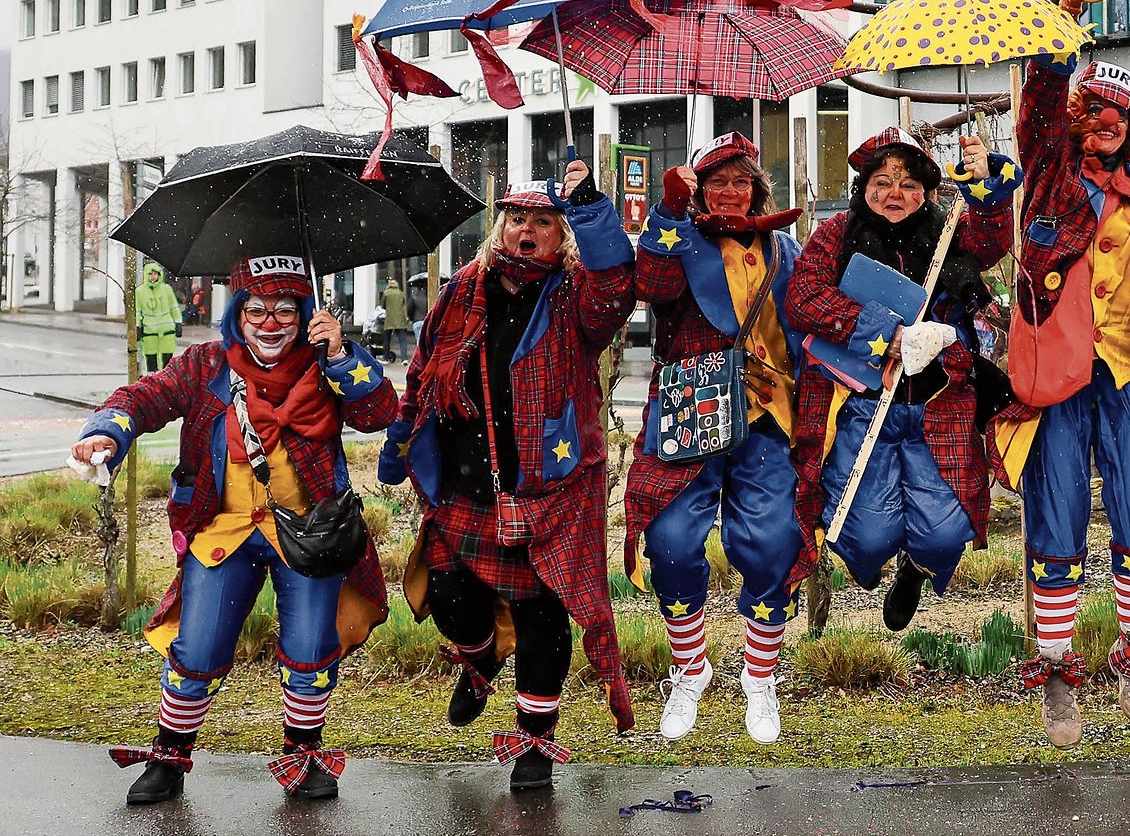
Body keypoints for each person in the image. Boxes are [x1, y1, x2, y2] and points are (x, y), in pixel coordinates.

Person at [76, 256, 395, 805]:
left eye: (284, 310)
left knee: (311, 648)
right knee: (196, 648)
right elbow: (144, 397)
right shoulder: (206, 366)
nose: (270, 323)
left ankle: (305, 755)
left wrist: (342, 354)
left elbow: (378, 410)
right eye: (256, 309)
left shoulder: (324, 365)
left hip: (308, 535)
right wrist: (107, 434)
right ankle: (170, 758)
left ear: (305, 314)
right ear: (237, 314)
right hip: (222, 532)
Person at [381, 161, 637, 791]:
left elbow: (617, 290)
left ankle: (534, 741)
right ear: (499, 226)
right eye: (517, 218)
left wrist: (591, 206)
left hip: (550, 484)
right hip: (467, 484)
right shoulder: (464, 287)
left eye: (543, 222)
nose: (527, 231)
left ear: (561, 234)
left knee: (541, 611)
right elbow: (424, 365)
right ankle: (478, 660)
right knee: (448, 593)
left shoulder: (578, 292)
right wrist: (401, 431)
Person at [990, 0, 1130, 746]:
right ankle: (1059, 673)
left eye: (1121, 113)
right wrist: (1063, 18)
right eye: (1096, 106)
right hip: (1057, 376)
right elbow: (1039, 101)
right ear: (1079, 115)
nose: (1108, 119)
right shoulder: (1047, 172)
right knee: (1060, 518)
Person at [787, 128, 1019, 631]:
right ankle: (880, 564)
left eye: (910, 183)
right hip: (863, 404)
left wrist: (983, 184)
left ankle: (916, 571)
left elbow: (992, 239)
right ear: (863, 185)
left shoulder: (948, 230)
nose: (896, 193)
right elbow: (802, 299)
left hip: (940, 402)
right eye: (883, 180)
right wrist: (882, 334)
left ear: (929, 190)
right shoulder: (834, 235)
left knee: (944, 533)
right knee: (863, 536)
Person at [624, 133, 806, 746]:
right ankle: (690, 669)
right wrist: (667, 212)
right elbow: (649, 285)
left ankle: (760, 677)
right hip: (690, 413)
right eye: (717, 181)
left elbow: (816, 312)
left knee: (773, 542)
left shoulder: (785, 247)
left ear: (758, 188)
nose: (730, 191)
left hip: (768, 416)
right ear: (699, 189)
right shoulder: (682, 240)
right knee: (671, 542)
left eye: (741, 181)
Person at [134, 262, 183, 372]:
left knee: (167, 359)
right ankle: (153, 381)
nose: (153, 276)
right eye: (150, 274)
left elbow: (174, 307)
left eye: (155, 274)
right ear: (146, 275)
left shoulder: (166, 289)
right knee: (151, 359)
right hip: (149, 331)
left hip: (167, 330)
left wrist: (178, 322)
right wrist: (137, 326)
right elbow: (138, 311)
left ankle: (166, 381)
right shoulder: (140, 291)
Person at [380, 275, 411, 363]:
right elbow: (403, 303)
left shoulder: (386, 293)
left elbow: (382, 305)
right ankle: (404, 358)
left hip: (389, 319)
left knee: (386, 340)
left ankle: (385, 358)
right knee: (402, 341)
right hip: (400, 319)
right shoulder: (400, 293)